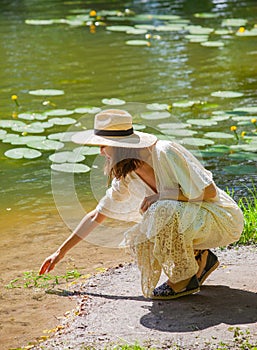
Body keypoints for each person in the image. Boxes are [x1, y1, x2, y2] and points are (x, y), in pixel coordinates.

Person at [39, 109, 244, 299]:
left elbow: (209, 193)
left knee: (161, 210)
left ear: (121, 145)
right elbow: (97, 215)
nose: (101, 152)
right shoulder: (127, 175)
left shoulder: (164, 152)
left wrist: (165, 195)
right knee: (152, 217)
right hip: (195, 223)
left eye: (103, 145)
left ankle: (183, 280)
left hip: (220, 219)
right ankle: (201, 260)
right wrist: (61, 252)